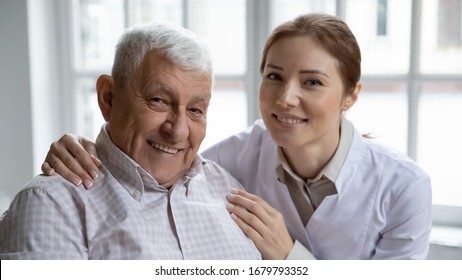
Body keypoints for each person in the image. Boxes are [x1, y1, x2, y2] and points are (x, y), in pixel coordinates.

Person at [40, 13, 432, 259]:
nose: (286, 97)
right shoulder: (232, 160)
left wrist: (290, 257)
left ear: (351, 95)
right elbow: (156, 156)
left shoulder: (404, 188)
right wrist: (89, 148)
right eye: (274, 76)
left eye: (312, 82)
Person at [0, 22, 262, 260]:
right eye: (158, 100)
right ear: (108, 98)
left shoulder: (231, 192)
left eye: (195, 110)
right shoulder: (52, 205)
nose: (179, 131)